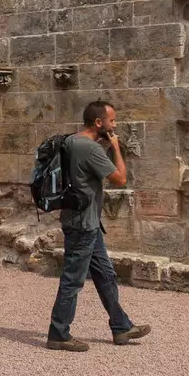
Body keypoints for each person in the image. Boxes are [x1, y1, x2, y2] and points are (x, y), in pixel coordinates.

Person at [45, 100, 153, 352]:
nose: (114, 125)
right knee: (73, 280)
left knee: (105, 275)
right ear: (98, 122)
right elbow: (120, 178)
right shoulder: (90, 148)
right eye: (112, 121)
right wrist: (115, 148)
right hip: (83, 224)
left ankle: (121, 326)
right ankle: (58, 333)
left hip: (85, 222)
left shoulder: (71, 141)